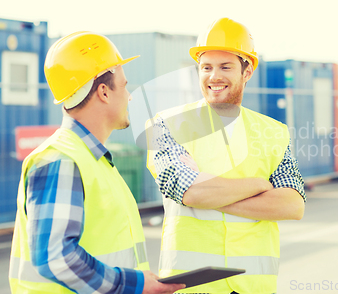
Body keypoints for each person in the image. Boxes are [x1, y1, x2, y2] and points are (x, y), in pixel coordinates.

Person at [9, 31, 185, 294]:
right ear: (104, 92)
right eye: (125, 86)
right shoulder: (61, 159)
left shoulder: (93, 160)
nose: (130, 96)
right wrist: (135, 285)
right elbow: (55, 257)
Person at [146, 17, 306, 294]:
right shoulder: (166, 125)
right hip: (192, 285)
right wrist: (259, 186)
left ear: (247, 71)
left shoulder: (274, 132)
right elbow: (190, 193)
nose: (214, 76)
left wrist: (208, 192)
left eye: (225, 67)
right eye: (206, 67)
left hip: (254, 285)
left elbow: (292, 205)